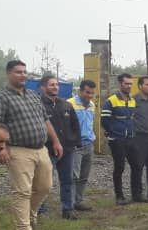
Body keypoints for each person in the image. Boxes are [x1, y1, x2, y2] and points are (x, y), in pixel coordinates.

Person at [0, 60, 63, 230]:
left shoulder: (32, 95)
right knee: (22, 190)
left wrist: (56, 141)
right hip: (18, 149)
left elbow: (45, 120)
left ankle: (29, 214)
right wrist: (0, 149)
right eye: (18, 72)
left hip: (41, 148)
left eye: (24, 72)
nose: (23, 75)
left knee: (45, 187)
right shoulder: (1, 97)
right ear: (8, 74)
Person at [39, 75, 81, 219]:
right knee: (44, 182)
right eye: (51, 85)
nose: (55, 87)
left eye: (57, 84)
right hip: (47, 150)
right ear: (43, 87)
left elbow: (75, 125)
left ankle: (67, 209)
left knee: (67, 180)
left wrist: (74, 141)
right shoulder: (38, 105)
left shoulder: (66, 105)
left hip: (67, 150)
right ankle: (40, 210)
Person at [101, 73, 140, 205]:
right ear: (120, 84)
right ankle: (119, 196)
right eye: (126, 83)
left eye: (130, 84)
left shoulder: (132, 100)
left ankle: (137, 195)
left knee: (137, 165)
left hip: (131, 138)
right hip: (117, 140)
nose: (129, 86)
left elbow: (132, 118)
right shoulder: (111, 100)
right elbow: (104, 119)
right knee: (119, 167)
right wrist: (114, 132)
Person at [68, 80, 97, 210]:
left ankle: (79, 201)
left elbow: (91, 123)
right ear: (80, 91)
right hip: (75, 146)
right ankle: (70, 203)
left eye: (92, 93)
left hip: (88, 144)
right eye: (87, 92)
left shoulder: (92, 105)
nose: (89, 96)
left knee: (84, 176)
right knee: (74, 176)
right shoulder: (70, 104)